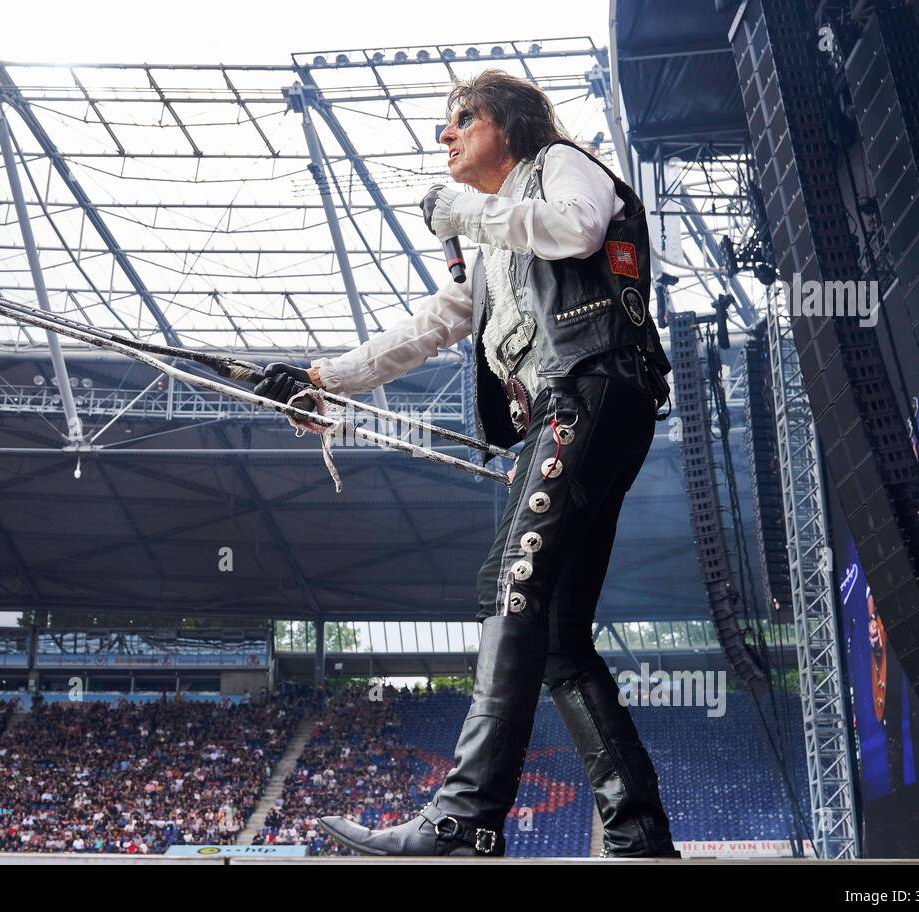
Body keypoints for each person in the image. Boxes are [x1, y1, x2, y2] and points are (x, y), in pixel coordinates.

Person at [255, 70, 678, 858]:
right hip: (575, 410)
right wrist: (322, 380)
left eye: (460, 120)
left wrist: (466, 212)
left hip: (589, 390)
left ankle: (465, 818)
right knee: (555, 635)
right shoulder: (490, 240)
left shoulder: (559, 163)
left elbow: (581, 229)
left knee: (506, 586)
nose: (443, 136)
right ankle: (639, 841)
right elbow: (439, 321)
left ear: (507, 126)